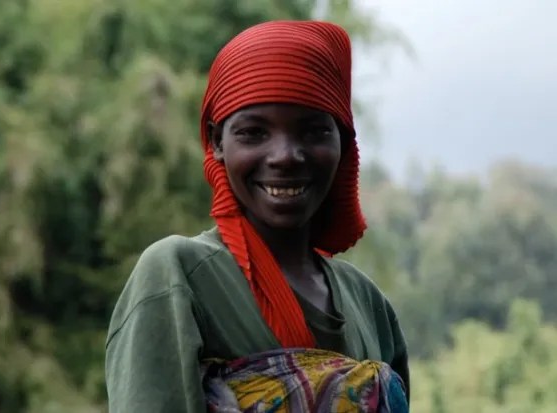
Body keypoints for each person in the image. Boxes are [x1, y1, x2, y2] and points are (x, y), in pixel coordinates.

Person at [105, 20, 410, 413]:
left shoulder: (369, 305)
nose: (286, 155)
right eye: (254, 132)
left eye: (314, 131)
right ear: (216, 142)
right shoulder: (178, 276)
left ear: (343, 142)